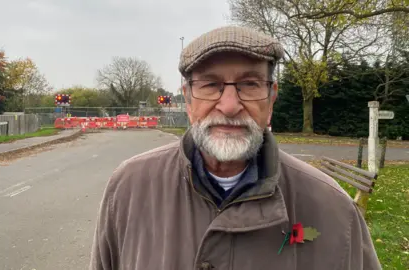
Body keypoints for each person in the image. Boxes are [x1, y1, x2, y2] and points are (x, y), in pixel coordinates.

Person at [90, 26, 381, 270]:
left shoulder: (334, 211)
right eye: (210, 84)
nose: (229, 106)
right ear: (188, 99)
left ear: (271, 98)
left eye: (250, 84)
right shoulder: (129, 188)